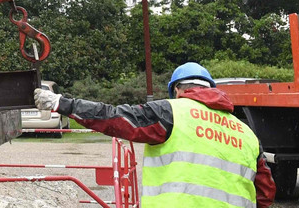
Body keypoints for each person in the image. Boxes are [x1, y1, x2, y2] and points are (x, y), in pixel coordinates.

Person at [34, 62, 275, 208]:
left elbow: (114, 118)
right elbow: (265, 192)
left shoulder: (171, 112)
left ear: (178, 90)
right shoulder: (246, 133)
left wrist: (63, 103)